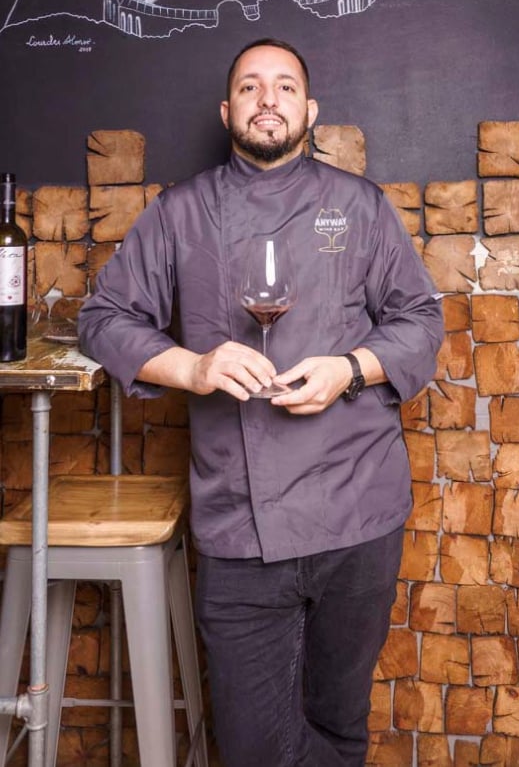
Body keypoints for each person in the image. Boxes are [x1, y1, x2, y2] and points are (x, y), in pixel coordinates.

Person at [78, 39, 444, 767]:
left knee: (339, 727)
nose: (267, 99)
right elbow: (103, 318)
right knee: (252, 749)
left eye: (284, 86)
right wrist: (195, 364)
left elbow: (422, 321)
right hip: (240, 528)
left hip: (357, 514)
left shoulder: (359, 206)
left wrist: (350, 367)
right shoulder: (181, 214)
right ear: (227, 110)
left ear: (310, 110)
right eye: (250, 87)